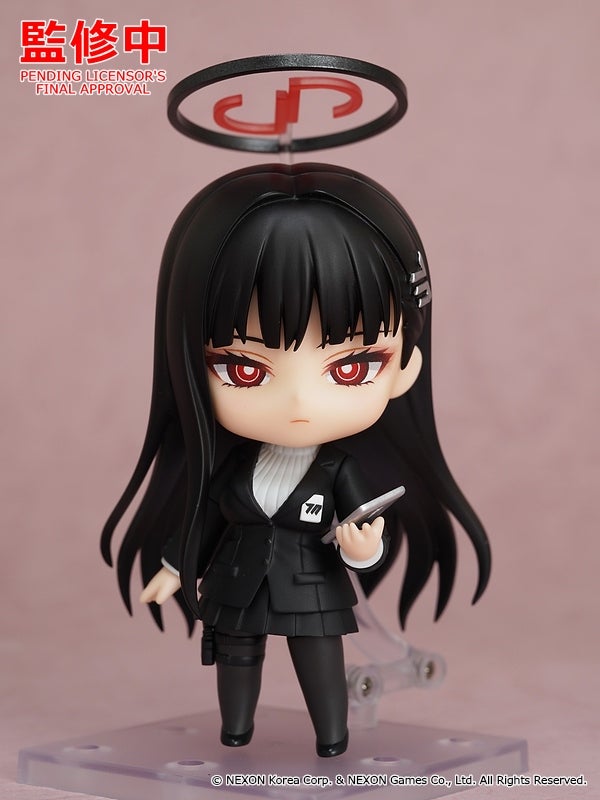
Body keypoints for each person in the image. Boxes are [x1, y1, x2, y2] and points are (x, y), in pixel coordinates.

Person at [101, 162, 490, 757]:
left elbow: (364, 522)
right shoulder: (233, 469)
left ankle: (332, 737)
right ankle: (236, 731)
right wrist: (176, 567)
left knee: (319, 660)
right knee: (236, 657)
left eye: (351, 367)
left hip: (313, 584)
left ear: (405, 368)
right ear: (185, 365)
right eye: (244, 369)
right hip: (236, 581)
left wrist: (364, 547)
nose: (300, 402)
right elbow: (205, 519)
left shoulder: (338, 471)